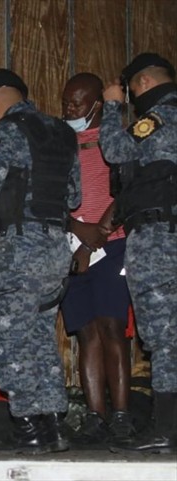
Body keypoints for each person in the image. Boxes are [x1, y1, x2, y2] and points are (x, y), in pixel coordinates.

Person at [0, 68, 81, 454]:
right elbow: (75, 196)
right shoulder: (63, 133)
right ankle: (53, 428)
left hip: (17, 248)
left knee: (12, 343)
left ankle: (29, 429)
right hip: (55, 250)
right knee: (42, 340)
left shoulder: (3, 133)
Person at [98, 52, 177, 454]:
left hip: (160, 238)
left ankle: (166, 429)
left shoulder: (159, 118)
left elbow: (115, 150)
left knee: (164, 336)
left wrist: (112, 104)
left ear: (142, 83)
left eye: (130, 90)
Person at [59, 72, 136, 447]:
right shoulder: (59, 142)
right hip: (72, 246)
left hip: (111, 243)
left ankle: (121, 415)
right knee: (85, 333)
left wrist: (94, 241)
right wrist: (76, 232)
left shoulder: (116, 138)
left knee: (111, 328)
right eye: (66, 102)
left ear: (96, 106)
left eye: (77, 103)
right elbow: (50, 198)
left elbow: (127, 191)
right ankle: (95, 416)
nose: (69, 109)